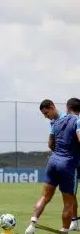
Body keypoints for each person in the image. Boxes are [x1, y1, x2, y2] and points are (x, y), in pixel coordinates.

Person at [25, 99, 80, 234]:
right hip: (68, 164)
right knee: (68, 202)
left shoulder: (56, 122)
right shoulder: (77, 121)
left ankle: (32, 224)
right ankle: (64, 230)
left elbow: (50, 144)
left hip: (53, 161)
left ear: (67, 108)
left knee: (45, 197)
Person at [66, 98, 80, 231]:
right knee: (71, 193)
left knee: (71, 193)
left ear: (68, 108)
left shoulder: (75, 122)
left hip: (75, 163)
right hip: (74, 162)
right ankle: (74, 221)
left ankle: (74, 221)